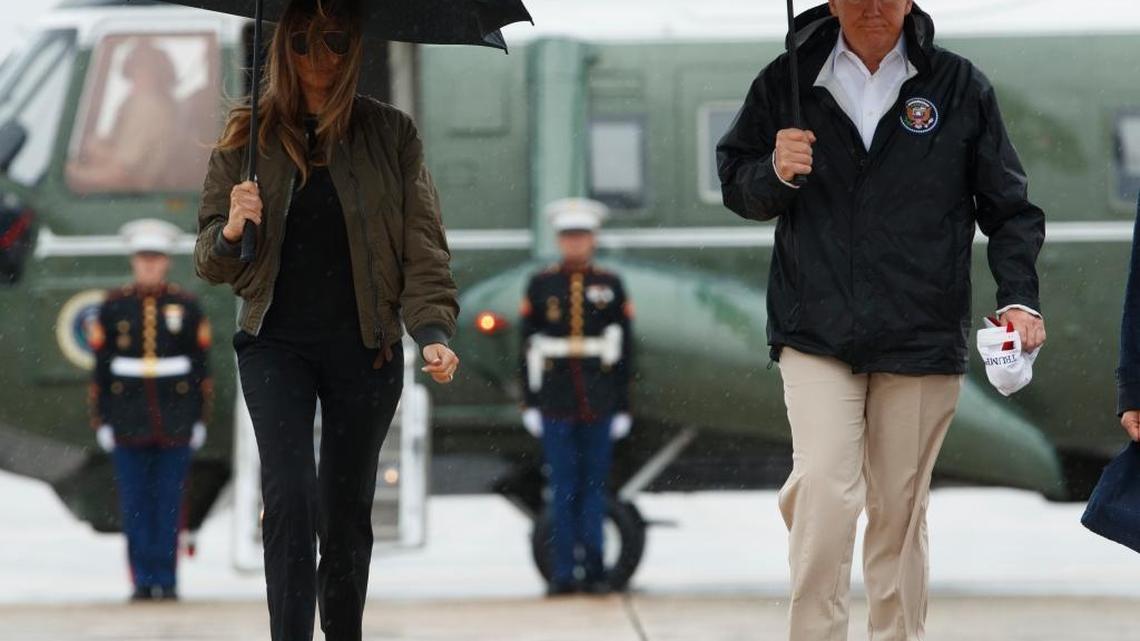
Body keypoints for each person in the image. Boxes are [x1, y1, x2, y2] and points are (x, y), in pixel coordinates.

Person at [716, 2, 1046, 640]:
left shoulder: (960, 86)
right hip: (814, 329)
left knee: (898, 510)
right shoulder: (785, 82)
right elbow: (738, 185)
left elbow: (1009, 208)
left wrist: (1019, 297)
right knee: (824, 493)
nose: (872, 7)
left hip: (921, 330)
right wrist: (775, 172)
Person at [193, 1, 459, 639]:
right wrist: (232, 228)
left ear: (356, 47)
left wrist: (432, 332)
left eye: (337, 40)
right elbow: (209, 262)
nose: (321, 56)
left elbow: (422, 244)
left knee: (345, 513)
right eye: (306, 41)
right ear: (284, 45)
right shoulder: (246, 137)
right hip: (274, 343)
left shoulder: (390, 135)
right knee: (289, 496)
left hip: (363, 347)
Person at [89, 218, 211, 602]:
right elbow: (101, 370)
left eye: (156, 258)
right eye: (143, 258)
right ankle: (142, 579)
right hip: (127, 422)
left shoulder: (186, 307)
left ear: (166, 263)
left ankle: (168, 579)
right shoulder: (113, 307)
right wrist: (103, 420)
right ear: (134, 262)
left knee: (169, 504)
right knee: (136, 505)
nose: (149, 265)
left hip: (174, 423)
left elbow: (201, 371)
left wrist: (198, 419)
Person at [519, 198, 634, 596]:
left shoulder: (610, 284)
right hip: (555, 401)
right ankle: (563, 573)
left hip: (599, 402)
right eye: (568, 236)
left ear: (593, 238)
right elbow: (527, 347)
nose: (575, 243)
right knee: (563, 490)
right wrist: (530, 402)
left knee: (594, 490)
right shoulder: (541, 284)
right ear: (559, 239)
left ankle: (597, 570)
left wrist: (622, 405)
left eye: (582, 235)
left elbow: (624, 352)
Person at [67, 39, 179, 193]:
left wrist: (73, 174)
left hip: (134, 194)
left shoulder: (147, 107)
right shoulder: (140, 103)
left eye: (139, 69)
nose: (134, 77)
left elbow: (121, 174)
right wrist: (94, 147)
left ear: (152, 73)